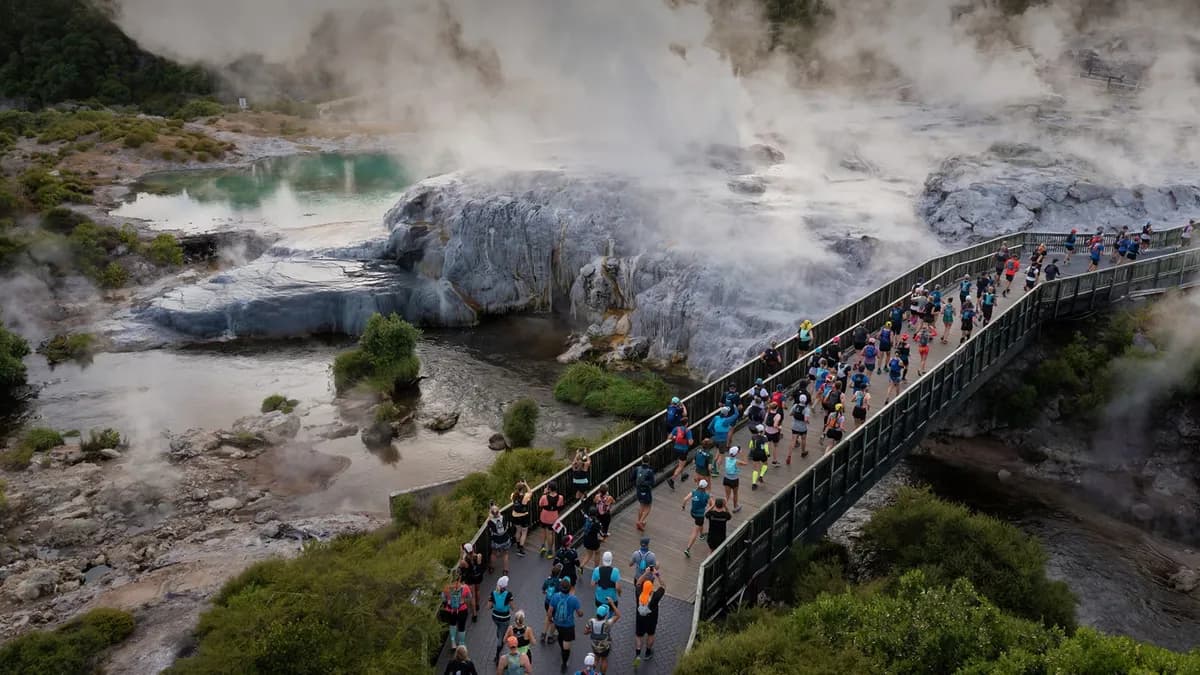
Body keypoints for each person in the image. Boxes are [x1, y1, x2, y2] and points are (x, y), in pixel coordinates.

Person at [547, 579, 584, 672]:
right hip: (568, 626)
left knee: (560, 637)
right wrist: (580, 613)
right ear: (570, 588)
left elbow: (550, 611)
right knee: (566, 647)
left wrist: (551, 619)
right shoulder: (573, 599)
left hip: (558, 624)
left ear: (560, 588)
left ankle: (562, 650)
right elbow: (580, 614)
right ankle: (564, 664)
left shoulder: (555, 596)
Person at [632, 568, 666, 666]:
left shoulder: (639, 593)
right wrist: (657, 574)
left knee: (639, 636)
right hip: (651, 620)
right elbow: (663, 586)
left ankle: (638, 654)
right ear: (651, 589)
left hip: (640, 619)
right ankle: (647, 652)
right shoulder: (655, 596)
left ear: (643, 588)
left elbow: (638, 582)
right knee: (651, 635)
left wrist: (646, 573)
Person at [584, 601, 620, 674]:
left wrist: (592, 631)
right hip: (605, 646)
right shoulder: (607, 623)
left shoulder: (591, 621)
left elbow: (585, 632)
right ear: (606, 615)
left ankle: (591, 672)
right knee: (604, 659)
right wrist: (612, 604)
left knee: (596, 658)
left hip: (594, 645)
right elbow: (618, 615)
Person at [681, 478, 713, 558]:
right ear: (705, 487)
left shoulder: (694, 492)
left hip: (693, 513)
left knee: (700, 524)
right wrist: (708, 510)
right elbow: (711, 504)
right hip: (700, 515)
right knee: (695, 531)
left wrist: (683, 507)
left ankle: (702, 535)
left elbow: (685, 499)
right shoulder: (706, 495)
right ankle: (688, 549)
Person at [442, 570, 472, 648]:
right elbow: (469, 597)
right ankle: (461, 643)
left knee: (452, 624)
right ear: (460, 578)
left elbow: (443, 599)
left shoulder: (446, 587)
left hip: (450, 610)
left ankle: (453, 643)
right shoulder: (465, 587)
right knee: (461, 627)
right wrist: (463, 600)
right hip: (462, 609)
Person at [489, 576, 515, 663]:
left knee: (500, 631)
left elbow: (488, 607)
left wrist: (494, 604)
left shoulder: (493, 593)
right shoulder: (508, 594)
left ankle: (500, 636)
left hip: (495, 617)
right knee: (501, 637)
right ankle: (497, 655)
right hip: (505, 619)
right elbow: (513, 607)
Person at [459, 543, 485, 623]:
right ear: (473, 549)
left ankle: (474, 614)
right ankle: (477, 605)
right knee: (478, 590)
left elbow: (460, 563)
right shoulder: (478, 556)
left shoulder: (465, 562)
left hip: (470, 579)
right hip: (478, 576)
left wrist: (461, 553)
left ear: (465, 551)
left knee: (472, 597)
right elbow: (478, 561)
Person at [666, 416, 693, 490]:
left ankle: (682, 475)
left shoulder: (676, 428)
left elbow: (669, 437)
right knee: (681, 465)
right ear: (687, 423)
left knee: (681, 463)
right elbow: (690, 443)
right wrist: (688, 440)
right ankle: (672, 479)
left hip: (676, 448)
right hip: (683, 450)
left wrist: (675, 437)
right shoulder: (688, 431)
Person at [539, 484, 565, 558]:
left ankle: (543, 546)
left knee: (543, 530)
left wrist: (544, 493)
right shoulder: (560, 497)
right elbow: (561, 506)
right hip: (553, 516)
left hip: (544, 516)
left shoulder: (544, 497)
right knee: (551, 533)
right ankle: (550, 550)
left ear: (549, 489)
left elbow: (540, 504)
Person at [541, 563, 565, 644]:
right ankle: (550, 637)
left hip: (547, 603)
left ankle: (543, 634)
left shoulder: (548, 580)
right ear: (559, 573)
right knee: (554, 620)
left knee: (548, 617)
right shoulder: (559, 582)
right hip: (555, 604)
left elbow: (543, 590)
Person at [486, 505, 512, 576]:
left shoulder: (490, 522)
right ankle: (505, 570)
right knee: (505, 554)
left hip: (496, 541)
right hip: (505, 539)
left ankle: (491, 567)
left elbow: (488, 523)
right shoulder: (504, 518)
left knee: (493, 553)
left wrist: (490, 516)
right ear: (498, 512)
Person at [510, 481, 533, 557]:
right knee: (524, 532)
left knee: (518, 531)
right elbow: (530, 492)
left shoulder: (513, 495)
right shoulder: (525, 496)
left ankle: (517, 545)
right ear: (523, 489)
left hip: (515, 516)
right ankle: (521, 549)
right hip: (524, 516)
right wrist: (526, 484)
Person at [633, 456, 655, 532]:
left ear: (642, 461)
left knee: (641, 506)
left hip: (638, 490)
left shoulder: (637, 469)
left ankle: (639, 522)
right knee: (648, 507)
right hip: (646, 491)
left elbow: (632, 478)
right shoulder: (650, 471)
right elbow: (652, 483)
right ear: (648, 461)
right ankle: (640, 522)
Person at [723, 445, 747, 512]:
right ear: (736, 453)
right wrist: (742, 454)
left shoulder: (726, 459)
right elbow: (745, 463)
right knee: (735, 494)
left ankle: (722, 506)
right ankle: (735, 506)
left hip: (726, 478)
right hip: (734, 480)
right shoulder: (737, 461)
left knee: (727, 495)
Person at [747, 425, 771, 491]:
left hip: (755, 453)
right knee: (765, 464)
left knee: (755, 469)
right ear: (763, 431)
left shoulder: (753, 437)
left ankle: (754, 484)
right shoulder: (765, 438)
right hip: (762, 454)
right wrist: (768, 454)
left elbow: (750, 446)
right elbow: (766, 448)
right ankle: (761, 475)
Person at [789, 393, 810, 463]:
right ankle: (803, 452)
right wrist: (808, 422)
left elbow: (790, 414)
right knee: (803, 439)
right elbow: (806, 419)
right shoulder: (806, 409)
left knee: (793, 441)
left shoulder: (795, 406)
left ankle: (789, 455)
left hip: (795, 426)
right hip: (802, 427)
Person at [763, 401, 785, 466]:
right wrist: (779, 428)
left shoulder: (767, 413)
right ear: (777, 407)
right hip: (774, 433)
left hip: (767, 432)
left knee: (767, 446)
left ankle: (765, 461)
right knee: (775, 446)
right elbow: (775, 425)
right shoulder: (778, 415)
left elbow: (764, 421)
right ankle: (774, 460)